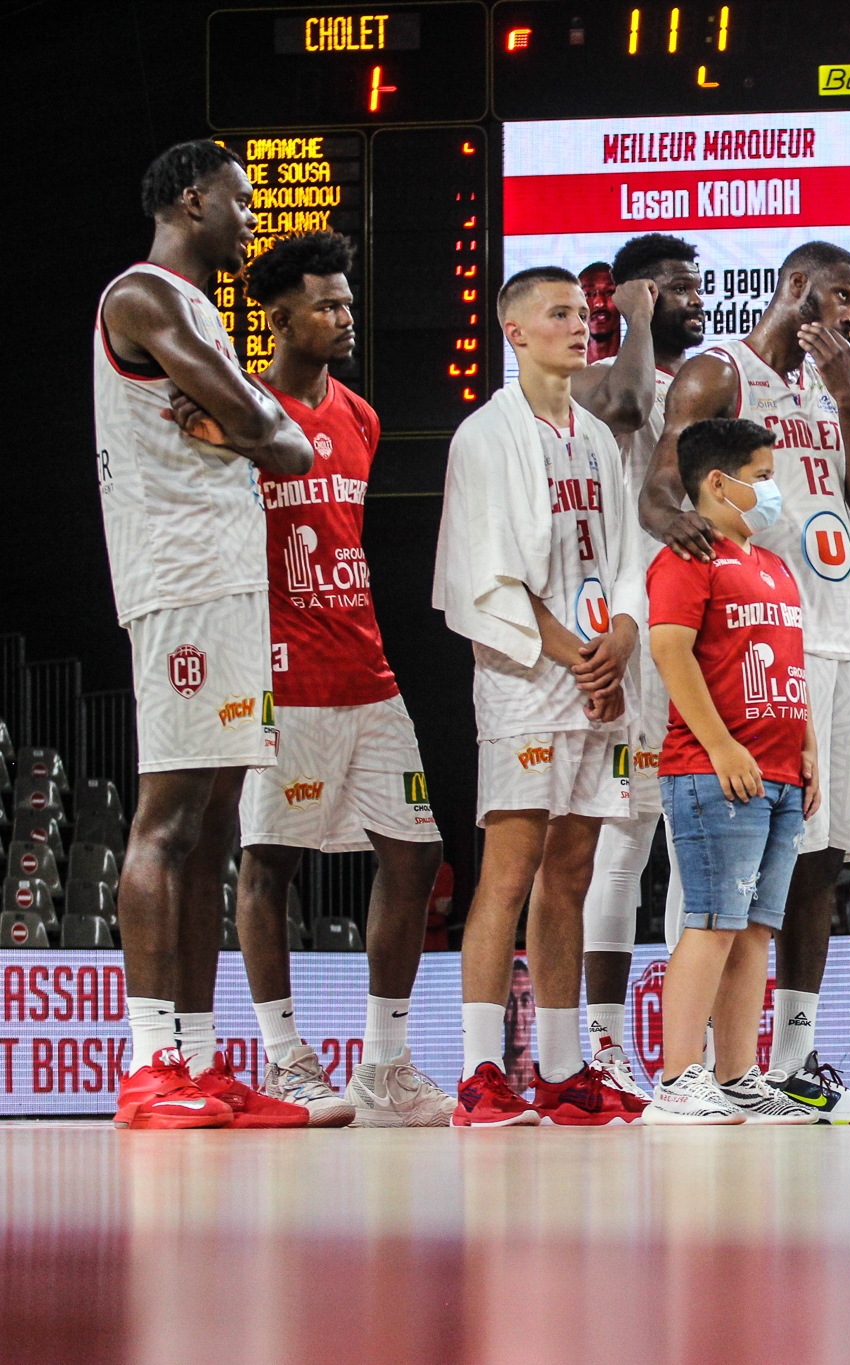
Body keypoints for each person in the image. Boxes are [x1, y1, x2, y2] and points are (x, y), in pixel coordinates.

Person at [640, 241, 850, 1122]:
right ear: (796, 289)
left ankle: (786, 1057)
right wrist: (690, 548)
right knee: (714, 882)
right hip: (734, 637)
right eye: (841, 298)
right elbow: (657, 491)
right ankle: (687, 1070)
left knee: (815, 859)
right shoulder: (722, 375)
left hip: (827, 637)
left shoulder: (842, 385)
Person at [96, 141, 317, 1129]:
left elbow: (288, 438)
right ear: (190, 198)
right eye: (237, 201)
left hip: (230, 582)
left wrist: (252, 428)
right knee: (170, 821)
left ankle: (200, 1061)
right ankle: (150, 1064)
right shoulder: (144, 297)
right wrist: (252, 428)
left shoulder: (203, 314)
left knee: (217, 828)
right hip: (180, 581)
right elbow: (261, 428)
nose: (246, 220)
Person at [232, 231, 452, 1127]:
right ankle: (285, 1058)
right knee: (269, 861)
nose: (344, 316)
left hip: (367, 670)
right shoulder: (237, 409)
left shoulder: (359, 416)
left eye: (348, 302)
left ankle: (385, 1064)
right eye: (327, 305)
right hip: (280, 677)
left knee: (419, 851)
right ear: (279, 317)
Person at [431, 266, 648, 1126]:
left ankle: (560, 1070)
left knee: (574, 869)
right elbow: (484, 576)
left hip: (599, 675)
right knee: (509, 870)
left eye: (583, 315)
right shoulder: (483, 436)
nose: (580, 326)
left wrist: (622, 636)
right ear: (513, 330)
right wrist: (577, 656)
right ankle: (482, 1071)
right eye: (559, 314)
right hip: (526, 681)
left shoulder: (596, 436)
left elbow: (628, 553)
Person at [640, 419, 850, 1123]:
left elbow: (789, 666)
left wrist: (809, 749)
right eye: (761, 475)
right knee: (709, 921)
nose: (772, 489)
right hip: (715, 773)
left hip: (781, 774)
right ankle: (677, 1079)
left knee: (754, 929)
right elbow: (671, 651)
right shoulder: (687, 557)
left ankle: (737, 1075)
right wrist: (722, 746)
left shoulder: (775, 565)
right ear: (717, 482)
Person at [570, 233, 705, 1097]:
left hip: (698, 629)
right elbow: (623, 403)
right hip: (625, 620)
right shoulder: (592, 381)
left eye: (698, 287)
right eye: (676, 288)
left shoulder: (709, 386)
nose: (696, 298)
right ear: (634, 295)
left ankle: (691, 1056)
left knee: (699, 845)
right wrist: (633, 318)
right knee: (623, 844)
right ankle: (605, 1044)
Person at [580, 261, 620, 363]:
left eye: (609, 292)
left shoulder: (640, 367)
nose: (600, 303)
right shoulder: (561, 371)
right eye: (588, 294)